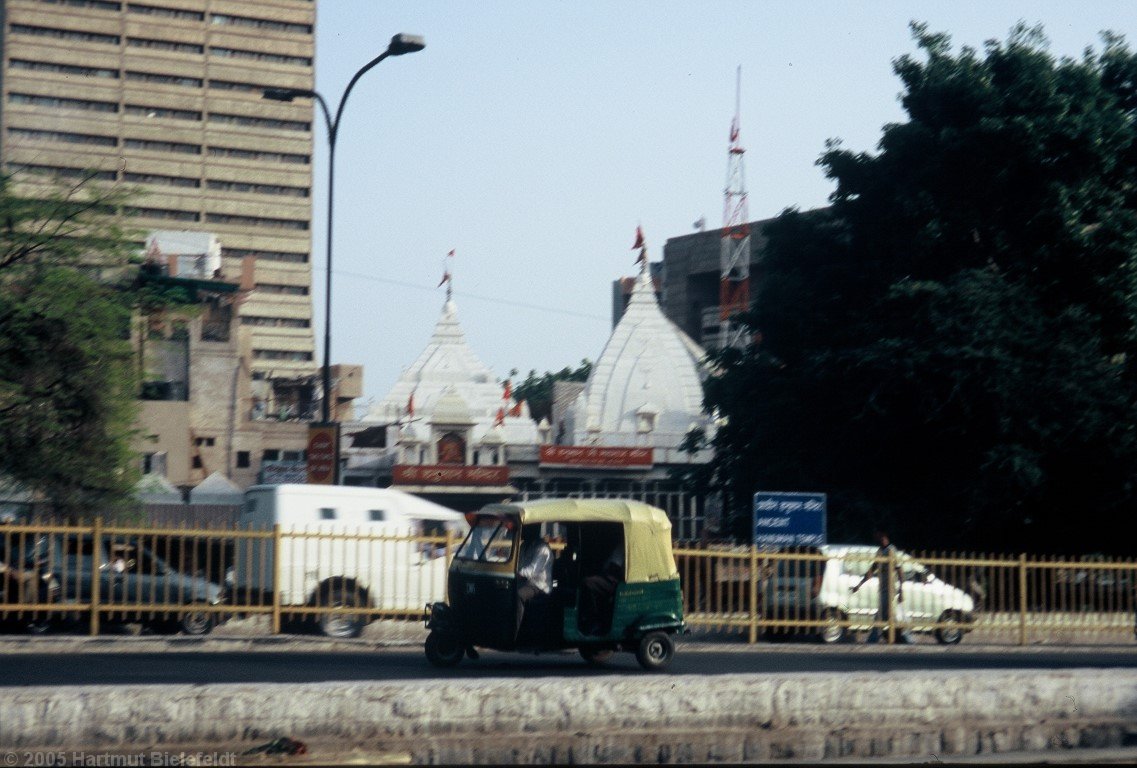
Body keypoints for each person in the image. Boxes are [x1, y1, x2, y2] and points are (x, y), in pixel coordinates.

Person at [851, 529, 914, 644]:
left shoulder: (891, 550)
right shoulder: (880, 551)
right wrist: (859, 585)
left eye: (878, 536)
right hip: (883, 589)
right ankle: (904, 638)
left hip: (890, 590)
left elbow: (899, 570)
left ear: (883, 536)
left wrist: (901, 590)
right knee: (892, 617)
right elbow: (872, 569)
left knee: (880, 616)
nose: (876, 538)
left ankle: (873, 638)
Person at [515, 533, 554, 639]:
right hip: (525, 583)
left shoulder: (543, 549)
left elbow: (531, 571)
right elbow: (518, 564)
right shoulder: (524, 546)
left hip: (539, 586)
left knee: (519, 595)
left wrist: (516, 574)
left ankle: (515, 634)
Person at [580, 542, 624, 636]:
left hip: (613, 580)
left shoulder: (625, 546)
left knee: (587, 583)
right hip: (607, 575)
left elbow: (616, 568)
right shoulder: (619, 546)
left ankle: (593, 618)